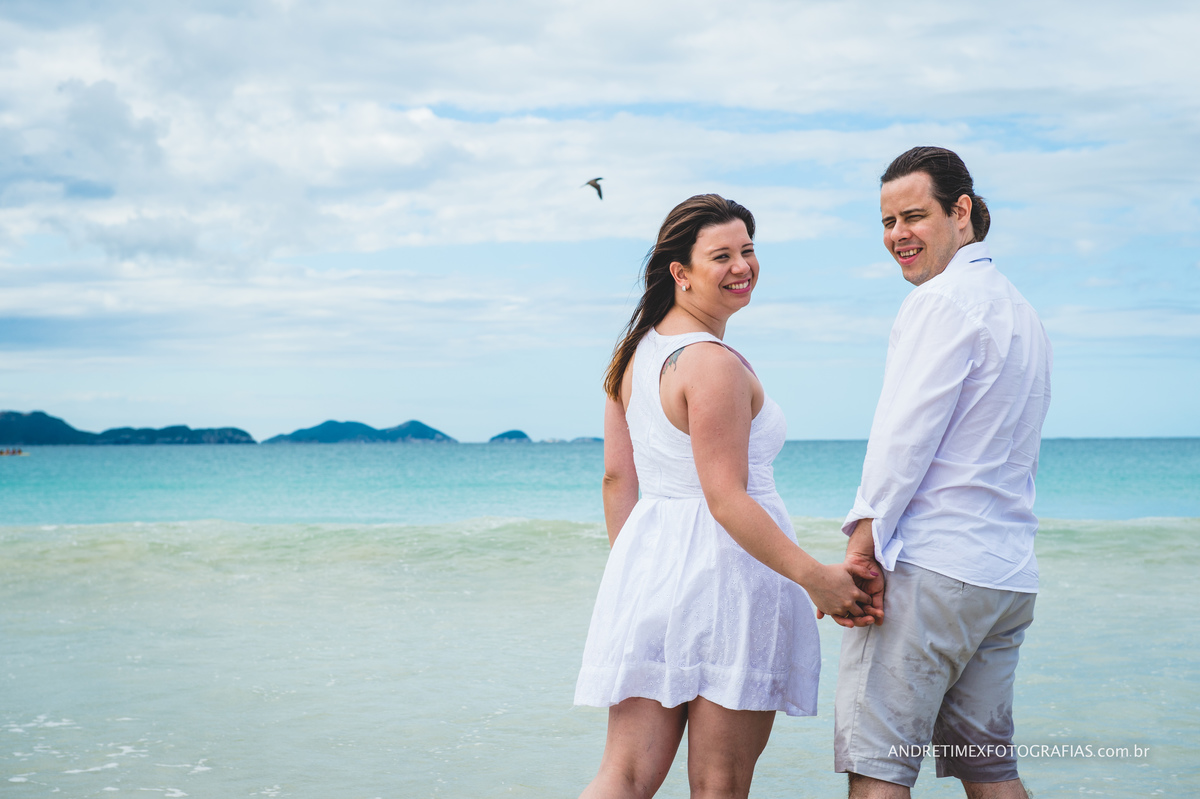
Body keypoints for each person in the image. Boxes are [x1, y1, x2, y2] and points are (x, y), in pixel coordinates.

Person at [574, 194, 880, 799]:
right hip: (731, 578)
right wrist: (814, 576)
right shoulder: (711, 364)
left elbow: (617, 481)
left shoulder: (631, 358)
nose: (742, 265)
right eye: (722, 255)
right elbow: (725, 498)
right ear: (679, 273)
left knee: (625, 776)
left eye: (748, 250)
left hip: (650, 569)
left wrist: (639, 574)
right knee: (719, 784)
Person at [833, 147, 1053, 799]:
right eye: (886, 221)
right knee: (990, 770)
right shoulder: (1022, 312)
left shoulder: (941, 302)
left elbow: (902, 442)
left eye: (913, 216)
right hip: (1004, 579)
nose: (897, 235)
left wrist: (859, 552)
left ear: (961, 211)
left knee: (879, 769)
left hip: (933, 576)